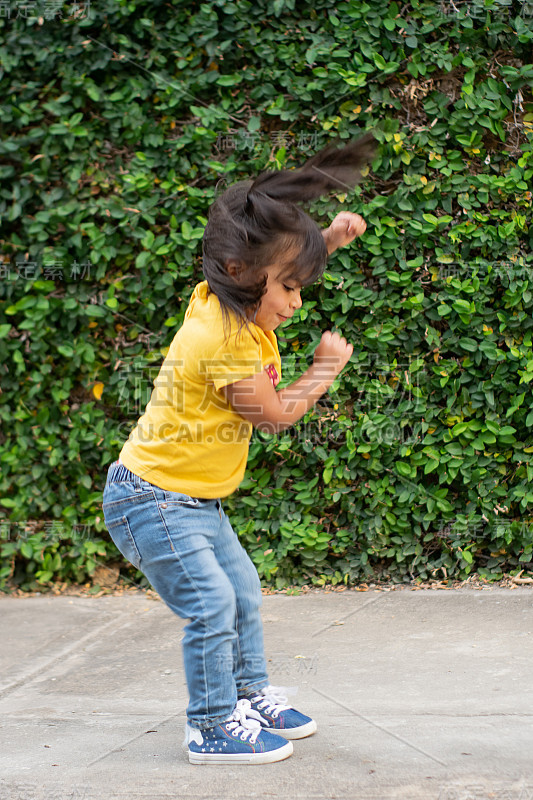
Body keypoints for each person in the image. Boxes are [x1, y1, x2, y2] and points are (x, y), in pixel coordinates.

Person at [102, 133, 375, 765]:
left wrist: (325, 241)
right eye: (291, 288)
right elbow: (276, 415)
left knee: (243, 590)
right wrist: (325, 368)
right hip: (153, 501)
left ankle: (247, 695)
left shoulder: (233, 299)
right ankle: (210, 725)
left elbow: (273, 277)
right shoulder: (220, 342)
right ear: (242, 277)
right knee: (213, 605)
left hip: (192, 500)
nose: (297, 302)